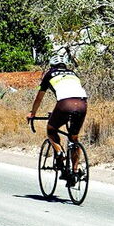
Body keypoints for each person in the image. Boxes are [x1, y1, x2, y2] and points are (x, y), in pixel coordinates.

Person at [27, 54, 88, 186]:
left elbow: (39, 98)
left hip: (65, 103)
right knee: (74, 138)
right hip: (82, 103)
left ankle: (59, 152)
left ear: (51, 65)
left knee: (51, 129)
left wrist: (32, 113)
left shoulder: (49, 74)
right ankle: (75, 171)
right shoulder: (73, 73)